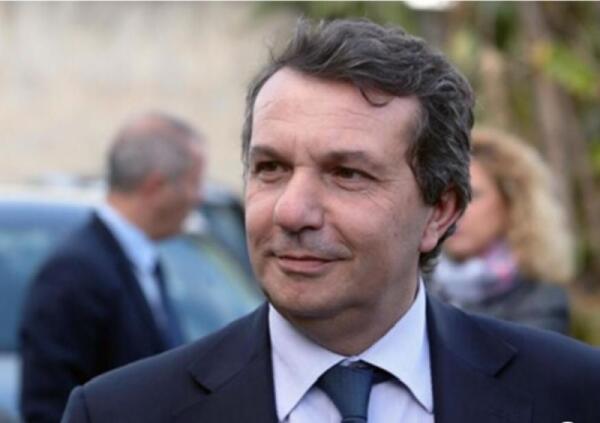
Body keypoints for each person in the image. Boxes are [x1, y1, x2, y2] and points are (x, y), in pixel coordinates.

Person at [62, 19, 600, 423]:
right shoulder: (120, 412)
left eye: (346, 174)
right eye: (271, 168)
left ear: (439, 211)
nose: (291, 211)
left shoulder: (573, 394)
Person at [19, 112, 205, 423]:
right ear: (156, 185)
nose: (198, 197)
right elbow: (48, 406)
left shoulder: (142, 261)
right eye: (194, 182)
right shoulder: (72, 273)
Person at [429, 127, 574, 334]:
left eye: (473, 195)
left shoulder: (542, 301)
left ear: (512, 203)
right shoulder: (413, 288)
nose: (456, 209)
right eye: (447, 196)